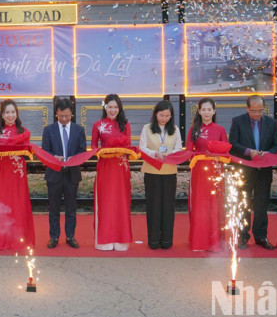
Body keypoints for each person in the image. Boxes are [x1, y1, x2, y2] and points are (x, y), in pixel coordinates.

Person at [229, 94, 277, 250]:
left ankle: (260, 236)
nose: (258, 114)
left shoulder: (272, 123)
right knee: (243, 203)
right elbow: (232, 144)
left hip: (264, 170)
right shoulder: (238, 121)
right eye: (254, 111)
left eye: (260, 111)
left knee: (261, 205)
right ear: (247, 109)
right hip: (245, 170)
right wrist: (248, 152)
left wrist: (268, 153)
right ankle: (243, 236)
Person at [0, 99, 35, 251]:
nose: (10, 115)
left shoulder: (23, 131)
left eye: (13, 112)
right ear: (2, 115)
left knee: (18, 203)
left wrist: (12, 141)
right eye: (7, 112)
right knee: (4, 203)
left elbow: (27, 150)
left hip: (18, 174)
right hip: (3, 172)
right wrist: (13, 142)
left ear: (17, 113)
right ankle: (3, 239)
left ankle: (18, 239)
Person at [42, 98, 86, 249]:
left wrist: (75, 159)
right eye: (61, 116)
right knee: (53, 208)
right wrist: (54, 157)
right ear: (56, 114)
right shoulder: (49, 130)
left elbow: (82, 151)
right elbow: (44, 151)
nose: (64, 119)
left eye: (67, 116)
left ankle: (70, 236)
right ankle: (54, 237)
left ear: (71, 114)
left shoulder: (79, 130)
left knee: (71, 208)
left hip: (72, 174)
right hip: (54, 174)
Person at [91, 94, 133, 251]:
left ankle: (121, 239)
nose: (113, 110)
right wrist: (102, 152)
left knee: (121, 201)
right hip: (105, 167)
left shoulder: (125, 125)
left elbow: (128, 146)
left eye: (116, 107)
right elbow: (94, 147)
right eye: (110, 107)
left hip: (121, 167)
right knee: (105, 202)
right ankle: (105, 239)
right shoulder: (98, 125)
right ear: (105, 107)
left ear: (119, 108)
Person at [139, 100, 182, 250]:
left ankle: (166, 241)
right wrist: (154, 153)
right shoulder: (147, 128)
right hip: (152, 170)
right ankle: (153, 240)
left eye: (167, 115)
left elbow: (179, 147)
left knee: (168, 206)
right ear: (156, 114)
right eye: (162, 115)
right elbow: (142, 148)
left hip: (170, 170)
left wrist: (170, 154)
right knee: (153, 205)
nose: (164, 118)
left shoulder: (175, 129)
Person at [186, 97, 227, 252]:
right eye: (204, 109)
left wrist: (219, 156)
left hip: (216, 170)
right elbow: (189, 150)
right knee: (200, 204)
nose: (207, 112)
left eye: (209, 109)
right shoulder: (194, 130)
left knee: (215, 204)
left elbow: (226, 151)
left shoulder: (220, 130)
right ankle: (199, 241)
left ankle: (215, 242)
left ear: (214, 111)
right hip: (199, 172)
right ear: (199, 111)